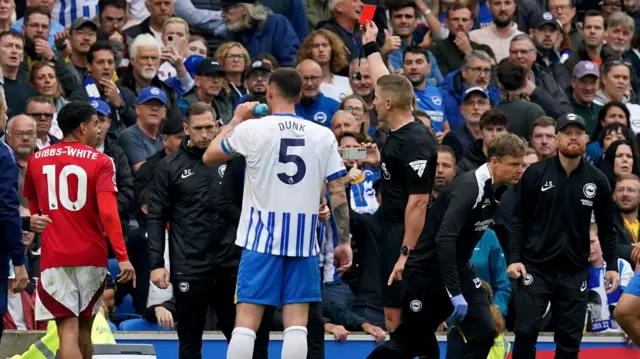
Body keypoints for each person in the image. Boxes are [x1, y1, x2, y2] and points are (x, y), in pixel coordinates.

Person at [201, 68, 352, 359]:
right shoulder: (323, 135)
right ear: (299, 95)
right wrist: (343, 240)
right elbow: (336, 190)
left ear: (270, 93)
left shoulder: (253, 130)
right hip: (303, 240)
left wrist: (235, 119)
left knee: (246, 324)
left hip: (261, 239)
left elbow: (209, 155)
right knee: (297, 325)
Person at [367, 133, 527, 359]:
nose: (520, 170)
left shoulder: (500, 187)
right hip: (427, 274)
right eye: (514, 164)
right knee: (405, 345)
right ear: (494, 162)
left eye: (521, 164)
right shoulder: (470, 188)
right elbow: (445, 239)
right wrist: (454, 292)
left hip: (458, 268)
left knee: (485, 331)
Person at [23, 101, 135, 359]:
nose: (100, 130)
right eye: (96, 124)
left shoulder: (36, 160)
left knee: (67, 331)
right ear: (83, 127)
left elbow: (35, 207)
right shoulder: (102, 161)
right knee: (85, 327)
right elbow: (109, 213)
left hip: (54, 256)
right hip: (91, 255)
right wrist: (122, 256)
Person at [508, 113, 620, 359]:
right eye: (567, 133)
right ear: (557, 138)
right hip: (535, 268)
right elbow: (518, 220)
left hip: (574, 271)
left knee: (570, 342)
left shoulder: (598, 180)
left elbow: (607, 228)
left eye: (578, 133)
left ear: (586, 139)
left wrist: (611, 265)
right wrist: (514, 258)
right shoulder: (535, 174)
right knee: (526, 333)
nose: (573, 137)